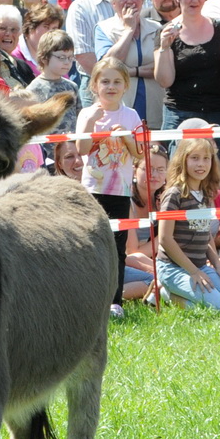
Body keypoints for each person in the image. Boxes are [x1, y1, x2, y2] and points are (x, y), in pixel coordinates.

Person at [155, 0, 220, 182]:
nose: (194, 0)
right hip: (180, 113)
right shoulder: (166, 32)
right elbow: (165, 80)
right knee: (178, 177)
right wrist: (165, 47)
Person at [75, 57, 144, 307]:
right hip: (93, 190)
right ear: (94, 85)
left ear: (125, 86)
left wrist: (125, 138)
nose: (111, 87)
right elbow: (81, 148)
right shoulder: (87, 113)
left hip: (120, 192)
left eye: (117, 81)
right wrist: (92, 123)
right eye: (105, 81)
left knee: (117, 248)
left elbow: (139, 153)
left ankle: (115, 302)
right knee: (91, 245)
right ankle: (90, 300)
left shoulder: (131, 115)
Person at [154, 134, 220, 312]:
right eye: (194, 158)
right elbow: (165, 239)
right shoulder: (174, 194)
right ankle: (166, 293)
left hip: (201, 265)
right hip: (173, 268)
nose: (201, 164)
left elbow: (205, 235)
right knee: (219, 309)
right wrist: (194, 272)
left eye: (206, 159)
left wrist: (218, 267)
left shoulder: (205, 194)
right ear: (183, 160)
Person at [92, 0, 160, 123]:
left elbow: (161, 67)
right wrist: (129, 30)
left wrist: (131, 71)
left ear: (143, 1)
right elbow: (108, 66)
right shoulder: (104, 29)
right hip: (119, 108)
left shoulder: (156, 28)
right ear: (113, 3)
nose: (130, 1)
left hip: (155, 105)